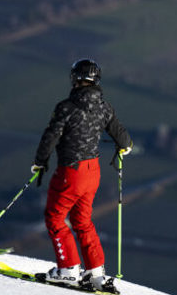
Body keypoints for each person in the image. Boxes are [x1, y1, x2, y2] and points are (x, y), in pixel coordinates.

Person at [31, 58, 132, 293]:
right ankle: (96, 273)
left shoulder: (66, 107)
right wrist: (123, 149)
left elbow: (50, 137)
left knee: (55, 218)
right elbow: (124, 141)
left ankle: (68, 270)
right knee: (82, 221)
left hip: (71, 171)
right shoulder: (105, 107)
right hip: (92, 172)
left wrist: (39, 162)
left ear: (75, 79)